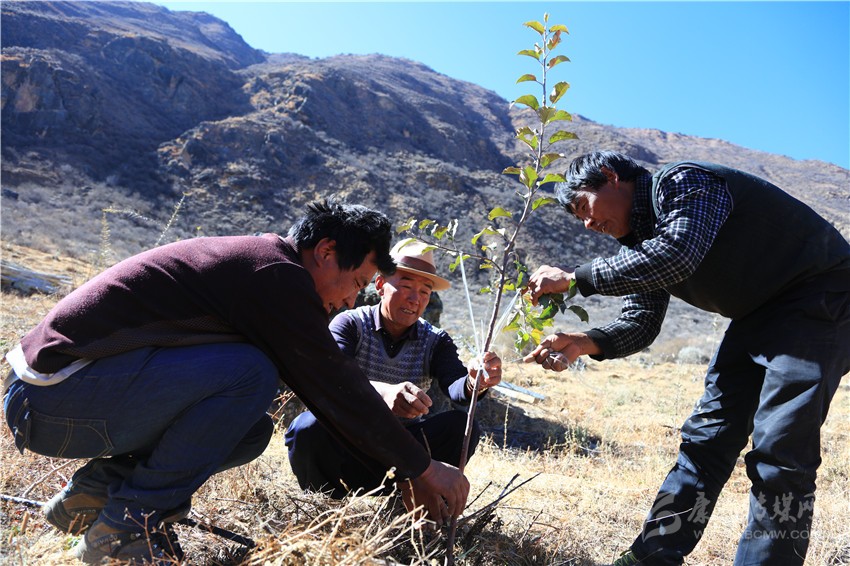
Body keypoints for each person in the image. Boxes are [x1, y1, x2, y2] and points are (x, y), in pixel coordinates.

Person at [2, 199, 470, 564]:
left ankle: (93, 495)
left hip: (64, 396)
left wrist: (411, 465)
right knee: (251, 372)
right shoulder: (275, 276)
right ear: (326, 253)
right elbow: (333, 386)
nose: (351, 300)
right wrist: (423, 469)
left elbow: (327, 388)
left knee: (250, 431)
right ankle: (126, 528)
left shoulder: (268, 268)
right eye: (357, 282)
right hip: (52, 395)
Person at [523, 151, 850, 566]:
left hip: (822, 296)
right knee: (706, 439)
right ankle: (650, 558)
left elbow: (676, 253)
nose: (588, 224)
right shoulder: (641, 242)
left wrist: (574, 279)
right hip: (758, 314)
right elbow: (641, 321)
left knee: (781, 451)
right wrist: (584, 342)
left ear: (610, 176)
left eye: (584, 207)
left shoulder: (684, 183)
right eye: (578, 218)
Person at [286, 239, 502, 500]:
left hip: (403, 455)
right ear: (380, 285)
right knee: (307, 427)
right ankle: (324, 501)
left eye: (425, 291)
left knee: (460, 426)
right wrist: (384, 393)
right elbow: (332, 379)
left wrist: (475, 381)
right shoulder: (350, 324)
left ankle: (414, 501)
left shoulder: (435, 340)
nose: (415, 299)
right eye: (406, 286)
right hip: (348, 443)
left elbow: (457, 388)